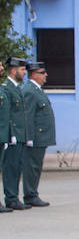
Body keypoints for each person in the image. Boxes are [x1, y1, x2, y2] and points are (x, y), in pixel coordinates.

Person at [18, 61, 55, 207]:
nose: (45, 75)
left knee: (36, 166)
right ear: (33, 75)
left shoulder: (36, 89)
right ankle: (30, 195)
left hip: (41, 137)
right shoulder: (29, 90)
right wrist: (29, 137)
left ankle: (32, 193)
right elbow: (28, 116)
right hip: (35, 137)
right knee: (31, 166)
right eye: (42, 73)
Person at [2, 56, 27, 211]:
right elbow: (7, 114)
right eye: (22, 69)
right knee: (10, 167)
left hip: (19, 134)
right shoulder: (5, 88)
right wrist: (10, 134)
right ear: (13, 70)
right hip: (12, 135)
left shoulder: (16, 88)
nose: (24, 72)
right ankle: (10, 197)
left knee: (17, 166)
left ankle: (13, 197)